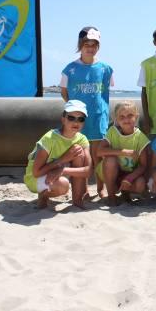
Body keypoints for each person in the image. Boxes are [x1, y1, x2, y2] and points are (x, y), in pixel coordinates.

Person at [60, 26, 114, 198]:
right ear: (80, 44)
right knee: (81, 156)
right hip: (79, 120)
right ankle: (82, 189)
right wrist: (73, 109)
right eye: (86, 44)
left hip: (99, 118)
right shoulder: (69, 69)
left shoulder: (105, 68)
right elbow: (64, 91)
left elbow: (106, 90)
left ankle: (100, 188)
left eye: (94, 44)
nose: (90, 48)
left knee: (98, 156)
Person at [23, 100, 92, 209]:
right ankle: (44, 196)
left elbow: (88, 171)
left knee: (79, 152)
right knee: (63, 186)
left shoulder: (82, 139)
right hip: (35, 178)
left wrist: (62, 170)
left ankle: (77, 201)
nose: (76, 122)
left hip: (56, 173)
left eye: (81, 119)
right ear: (63, 119)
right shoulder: (49, 138)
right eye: (71, 117)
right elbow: (36, 173)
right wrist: (63, 159)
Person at [96, 101, 150, 206]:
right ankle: (111, 196)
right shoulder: (112, 131)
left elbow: (143, 165)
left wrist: (129, 179)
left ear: (136, 116)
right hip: (111, 173)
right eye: (122, 117)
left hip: (130, 174)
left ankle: (126, 193)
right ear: (116, 119)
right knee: (110, 159)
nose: (126, 119)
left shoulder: (141, 138)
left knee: (140, 184)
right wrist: (123, 152)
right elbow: (99, 151)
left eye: (130, 115)